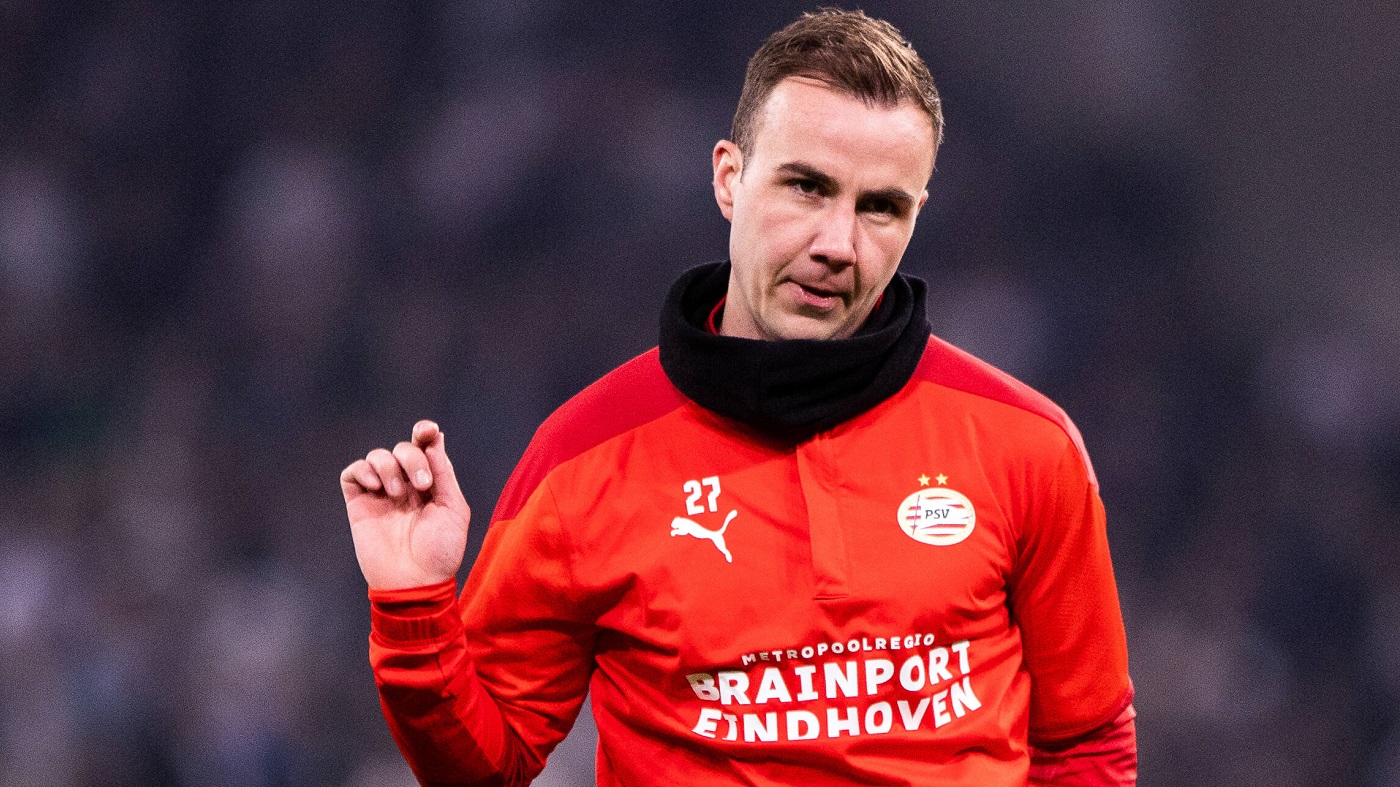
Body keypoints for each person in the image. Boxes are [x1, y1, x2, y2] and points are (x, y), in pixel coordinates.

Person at [340, 9, 1136, 786]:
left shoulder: (1029, 444)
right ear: (729, 178)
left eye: (879, 206)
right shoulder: (581, 457)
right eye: (807, 187)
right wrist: (413, 608)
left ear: (916, 214)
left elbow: (1087, 743)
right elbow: (487, 764)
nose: (837, 244)